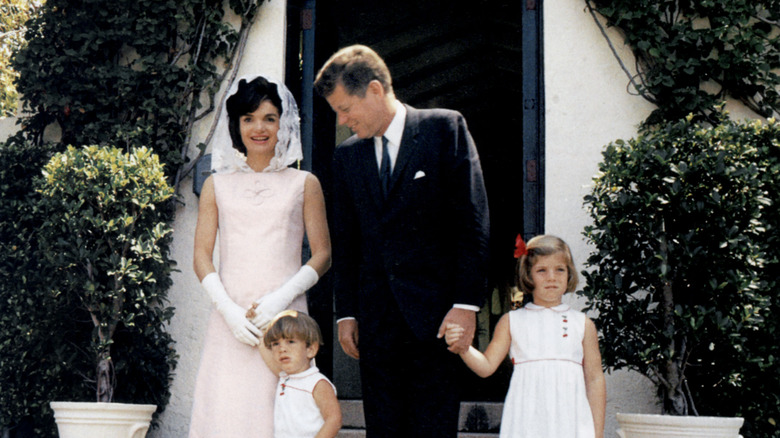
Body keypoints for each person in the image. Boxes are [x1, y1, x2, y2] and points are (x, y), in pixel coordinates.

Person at [314, 44, 490, 437]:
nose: (342, 121)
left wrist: (466, 304)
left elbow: (472, 221)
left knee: (434, 428)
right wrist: (347, 313)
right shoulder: (346, 157)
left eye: (345, 109)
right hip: (376, 325)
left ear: (375, 90)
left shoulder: (444, 129)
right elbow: (346, 241)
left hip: (439, 319)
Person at [190, 75, 331, 438]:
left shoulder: (304, 183)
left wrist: (280, 302)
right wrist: (230, 312)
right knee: (227, 413)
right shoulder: (216, 185)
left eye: (270, 118)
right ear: (236, 126)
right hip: (231, 322)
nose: (260, 128)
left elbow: (323, 254)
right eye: (249, 118)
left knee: (281, 416)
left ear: (283, 125)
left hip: (285, 324)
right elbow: (202, 257)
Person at [445, 235, 606, 438]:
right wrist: (464, 348)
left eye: (559, 269)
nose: (552, 277)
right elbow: (486, 367)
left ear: (569, 274)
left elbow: (594, 380)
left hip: (570, 420)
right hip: (527, 421)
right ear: (528, 276)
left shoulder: (583, 324)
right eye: (542, 270)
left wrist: (597, 432)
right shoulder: (512, 321)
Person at [256, 310, 342, 438]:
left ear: (310, 349)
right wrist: (257, 322)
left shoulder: (317, 383)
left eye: (291, 342)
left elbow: (334, 419)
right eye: (276, 344)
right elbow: (263, 346)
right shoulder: (285, 377)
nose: (282, 349)